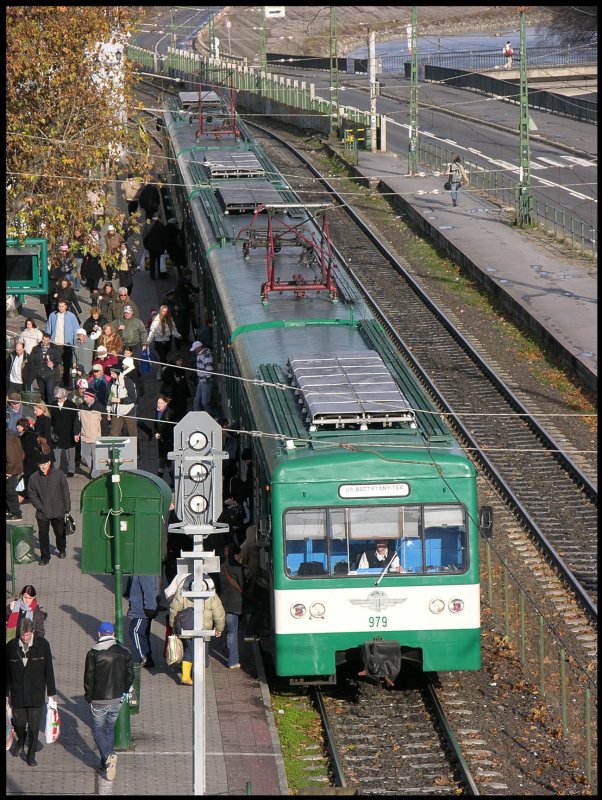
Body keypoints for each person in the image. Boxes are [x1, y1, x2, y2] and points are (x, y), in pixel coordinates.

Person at [84, 620, 135, 782]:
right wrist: (124, 691)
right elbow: (130, 676)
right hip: (117, 698)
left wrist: (88, 695)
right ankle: (105, 763)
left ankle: (108, 756)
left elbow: (88, 678)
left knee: (97, 731)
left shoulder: (93, 653)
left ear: (99, 634)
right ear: (113, 634)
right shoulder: (124, 652)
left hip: (99, 699)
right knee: (109, 729)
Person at [7, 618, 57, 767]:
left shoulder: (43, 645)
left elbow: (49, 669)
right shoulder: (10, 647)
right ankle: (21, 740)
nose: (25, 638)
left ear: (32, 632)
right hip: (18, 694)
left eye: (27, 635)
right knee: (19, 724)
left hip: (36, 694)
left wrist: (51, 693)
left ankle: (31, 755)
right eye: (22, 635)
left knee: (34, 728)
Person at [167, 574, 225, 682]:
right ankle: (196, 676)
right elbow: (219, 613)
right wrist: (219, 629)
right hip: (205, 630)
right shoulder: (212, 596)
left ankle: (186, 675)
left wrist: (173, 627)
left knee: (189, 651)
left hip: (187, 628)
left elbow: (174, 610)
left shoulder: (182, 594)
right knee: (202, 653)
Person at [27, 451, 71, 564]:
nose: (43, 467)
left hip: (58, 510)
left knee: (60, 533)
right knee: (43, 536)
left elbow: (65, 491)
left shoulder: (59, 474)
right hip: (43, 513)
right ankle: (45, 558)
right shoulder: (34, 478)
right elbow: (32, 494)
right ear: (38, 465)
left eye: (45, 464)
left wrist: (67, 507)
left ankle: (62, 549)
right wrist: (40, 507)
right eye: (41, 465)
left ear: (49, 463)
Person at [217, 542, 245, 670]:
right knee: (232, 633)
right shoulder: (238, 568)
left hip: (224, 602)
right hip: (236, 603)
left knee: (229, 631)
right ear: (236, 554)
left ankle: (226, 647)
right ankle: (233, 661)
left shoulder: (222, 567)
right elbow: (242, 586)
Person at [125, 575, 160, 668]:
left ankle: (144, 657)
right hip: (142, 609)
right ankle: (148, 658)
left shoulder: (144, 572)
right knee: (143, 633)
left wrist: (149, 607)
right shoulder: (143, 570)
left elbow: (149, 590)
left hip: (141, 610)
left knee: (135, 631)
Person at [46, 298, 80, 386]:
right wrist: (48, 339)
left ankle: (65, 382)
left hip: (66, 344)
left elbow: (76, 330)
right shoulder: (52, 315)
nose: (60, 308)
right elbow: (48, 329)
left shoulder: (71, 316)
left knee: (67, 364)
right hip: (55, 343)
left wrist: (75, 342)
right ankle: (54, 381)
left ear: (66, 307)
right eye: (59, 306)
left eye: (62, 306)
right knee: (54, 363)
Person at [145, 305, 182, 379]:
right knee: (163, 357)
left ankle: (159, 372)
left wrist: (178, 336)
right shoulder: (156, 320)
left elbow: (173, 330)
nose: (164, 313)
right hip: (158, 342)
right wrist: (147, 342)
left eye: (166, 311)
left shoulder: (170, 320)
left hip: (167, 342)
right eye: (163, 311)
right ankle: (165, 374)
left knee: (163, 358)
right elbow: (152, 332)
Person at [75, 390, 105, 477]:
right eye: (84, 397)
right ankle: (94, 468)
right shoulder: (81, 407)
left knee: (96, 456)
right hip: (84, 436)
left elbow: (104, 424)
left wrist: (104, 436)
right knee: (84, 455)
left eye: (86, 397)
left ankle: (94, 475)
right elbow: (77, 421)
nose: (84, 398)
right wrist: (76, 433)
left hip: (96, 437)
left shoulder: (100, 407)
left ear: (92, 397)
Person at [50, 387, 79, 477]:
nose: (58, 399)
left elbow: (76, 420)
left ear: (65, 396)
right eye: (57, 398)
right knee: (56, 453)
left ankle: (71, 470)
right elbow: (51, 419)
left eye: (60, 397)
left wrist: (76, 432)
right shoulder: (53, 405)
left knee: (70, 452)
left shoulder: (72, 405)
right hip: (57, 433)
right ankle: (55, 470)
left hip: (69, 433)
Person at [28, 332, 61, 404]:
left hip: (50, 374)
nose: (44, 341)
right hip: (39, 374)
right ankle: (44, 407)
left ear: (49, 340)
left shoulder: (54, 349)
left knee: (49, 392)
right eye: (43, 339)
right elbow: (31, 359)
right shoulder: (36, 348)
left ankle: (51, 408)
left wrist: (53, 363)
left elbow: (59, 359)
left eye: (46, 340)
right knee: (42, 393)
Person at [107, 363, 138, 438]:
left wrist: (120, 400)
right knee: (113, 434)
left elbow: (133, 398)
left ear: (117, 373)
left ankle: (135, 449)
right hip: (116, 413)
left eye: (113, 373)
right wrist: (108, 411)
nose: (111, 375)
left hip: (128, 411)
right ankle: (113, 449)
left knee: (132, 435)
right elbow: (110, 398)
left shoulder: (127, 381)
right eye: (110, 373)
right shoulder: (111, 383)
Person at [159, 353, 190, 422]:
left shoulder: (180, 368)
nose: (181, 362)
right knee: (176, 411)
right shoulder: (171, 369)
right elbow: (164, 378)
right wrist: (174, 379)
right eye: (179, 361)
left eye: (181, 361)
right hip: (175, 394)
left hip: (181, 394)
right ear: (175, 361)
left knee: (181, 411)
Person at [16, 418, 40, 502]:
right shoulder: (29, 434)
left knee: (25, 481)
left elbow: (27, 452)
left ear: (24, 427)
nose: (17, 427)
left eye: (19, 426)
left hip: (29, 463)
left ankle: (19, 501)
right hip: (32, 463)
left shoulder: (26, 437)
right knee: (28, 481)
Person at [154, 394, 176, 483]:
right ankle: (167, 480)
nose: (159, 404)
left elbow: (170, 428)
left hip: (168, 440)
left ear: (166, 403)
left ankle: (160, 480)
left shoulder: (170, 413)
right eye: (158, 403)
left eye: (161, 403)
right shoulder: (157, 412)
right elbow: (155, 424)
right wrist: (156, 432)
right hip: (161, 440)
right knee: (163, 460)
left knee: (166, 460)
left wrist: (162, 435)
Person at [190, 340, 214, 413]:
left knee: (205, 402)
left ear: (199, 348)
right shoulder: (200, 354)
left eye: (195, 349)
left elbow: (209, 370)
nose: (194, 351)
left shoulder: (205, 356)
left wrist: (205, 379)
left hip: (205, 381)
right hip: (202, 381)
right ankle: (198, 416)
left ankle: (212, 415)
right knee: (197, 402)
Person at [6, 430, 25, 521]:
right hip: (16, 468)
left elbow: (11, 459)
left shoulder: (8, 441)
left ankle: (16, 513)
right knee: (10, 491)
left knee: (10, 492)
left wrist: (9, 471)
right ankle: (10, 511)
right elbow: (22, 454)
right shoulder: (14, 437)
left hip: (11, 470)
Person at [142, 215, 167, 280]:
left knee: (152, 262)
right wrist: (164, 247)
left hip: (151, 248)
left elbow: (144, 237)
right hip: (160, 248)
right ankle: (160, 274)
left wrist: (146, 246)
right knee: (160, 261)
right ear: (158, 219)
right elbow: (165, 238)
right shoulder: (162, 226)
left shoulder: (147, 226)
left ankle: (152, 275)